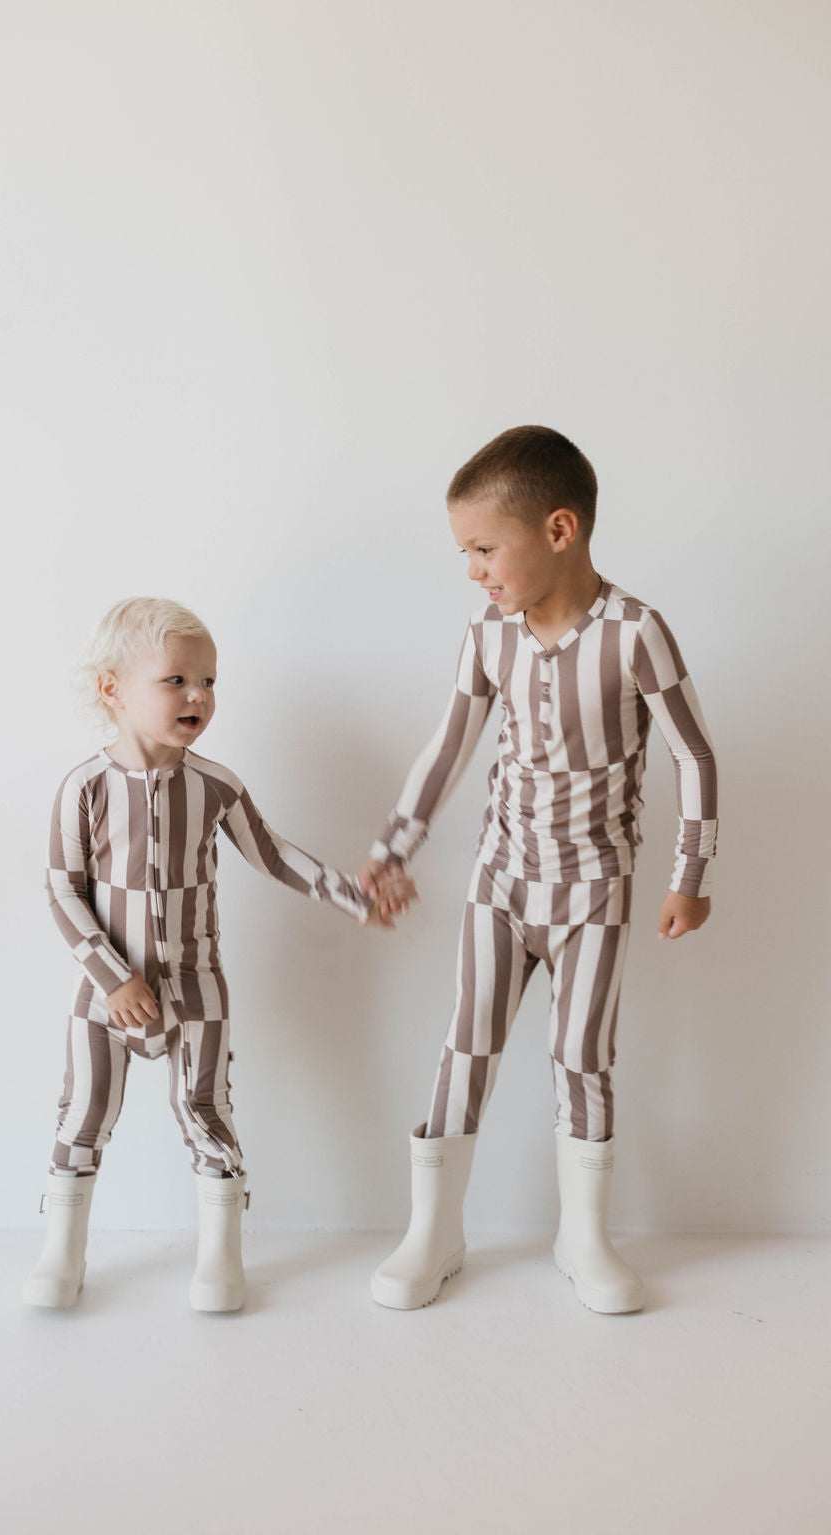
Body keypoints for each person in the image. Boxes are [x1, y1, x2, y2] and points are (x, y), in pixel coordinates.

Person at [360, 425, 717, 1314]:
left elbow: (696, 757)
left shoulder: (637, 634)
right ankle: (435, 1232)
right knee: (466, 1045)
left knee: (582, 1057)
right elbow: (450, 747)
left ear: (560, 531)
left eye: (484, 549)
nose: (473, 571)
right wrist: (395, 843)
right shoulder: (488, 634)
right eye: (465, 553)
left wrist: (691, 874)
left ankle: (584, 1236)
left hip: (595, 888)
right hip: (501, 880)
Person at [23, 596, 414, 1314]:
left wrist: (356, 897)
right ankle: (62, 1252)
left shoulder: (216, 785)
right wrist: (112, 979)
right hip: (105, 997)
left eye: (208, 680)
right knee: (82, 1113)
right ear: (112, 687)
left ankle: (220, 1257)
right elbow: (61, 892)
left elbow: (274, 856)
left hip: (197, 989)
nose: (198, 694)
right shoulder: (84, 788)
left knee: (207, 1110)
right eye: (176, 679)